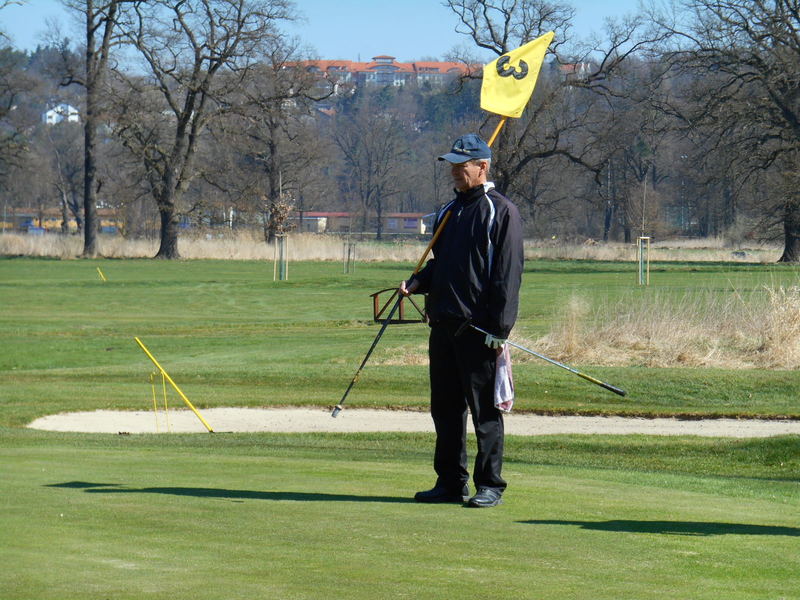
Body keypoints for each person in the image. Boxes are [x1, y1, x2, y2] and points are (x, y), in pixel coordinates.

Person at [400, 133, 524, 508]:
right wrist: (418, 282)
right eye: (452, 165)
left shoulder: (500, 211)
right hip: (442, 324)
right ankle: (451, 482)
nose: (454, 171)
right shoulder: (449, 212)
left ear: (482, 166)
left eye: (461, 165)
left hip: (479, 329)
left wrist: (500, 328)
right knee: (445, 409)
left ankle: (490, 485)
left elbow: (507, 274)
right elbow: (443, 265)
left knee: (485, 411)